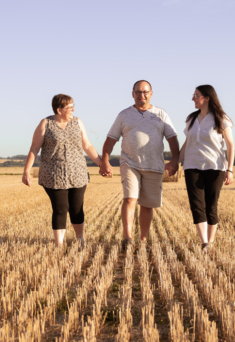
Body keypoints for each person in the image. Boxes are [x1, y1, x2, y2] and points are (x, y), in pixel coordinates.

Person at [100, 80, 179, 250]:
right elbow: (110, 139)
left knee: (147, 204)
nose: (141, 95)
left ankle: (143, 240)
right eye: (138, 92)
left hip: (154, 165)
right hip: (130, 163)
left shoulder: (161, 114)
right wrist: (105, 160)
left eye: (145, 92)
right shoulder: (124, 115)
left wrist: (175, 160)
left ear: (151, 93)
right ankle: (127, 239)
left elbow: (172, 138)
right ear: (132, 94)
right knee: (129, 198)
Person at [22, 94, 103, 248]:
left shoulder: (77, 122)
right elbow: (34, 148)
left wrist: (101, 164)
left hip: (77, 173)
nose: (73, 109)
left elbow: (87, 145)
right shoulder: (46, 123)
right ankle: (59, 245)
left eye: (73, 105)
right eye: (69, 107)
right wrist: (27, 170)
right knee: (60, 208)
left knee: (76, 207)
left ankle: (80, 240)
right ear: (59, 110)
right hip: (53, 174)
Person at [179, 85, 235, 253]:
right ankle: (204, 243)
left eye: (196, 95)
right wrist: (176, 161)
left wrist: (229, 169)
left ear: (207, 97)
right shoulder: (191, 119)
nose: (193, 98)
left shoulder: (221, 118)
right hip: (191, 167)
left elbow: (231, 145)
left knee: (211, 206)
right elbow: (186, 143)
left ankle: (210, 241)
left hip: (215, 167)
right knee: (197, 205)